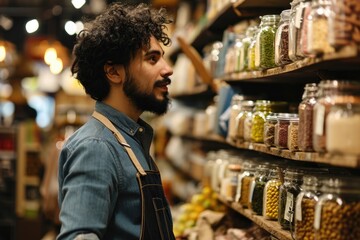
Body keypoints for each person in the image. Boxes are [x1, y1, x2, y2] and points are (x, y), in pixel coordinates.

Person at [57, 2, 175, 240]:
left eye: (162, 57)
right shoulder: (96, 148)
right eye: (152, 59)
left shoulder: (130, 138)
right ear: (113, 72)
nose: (168, 69)